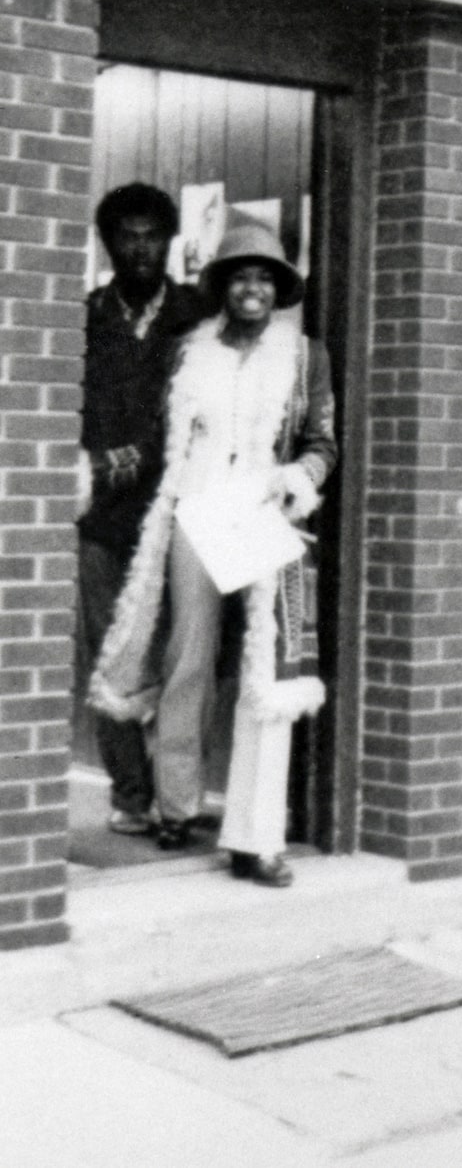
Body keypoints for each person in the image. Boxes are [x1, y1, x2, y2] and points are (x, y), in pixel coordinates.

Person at [90, 218, 335, 888]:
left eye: (263, 277)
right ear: (222, 287)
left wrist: (297, 480)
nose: (251, 288)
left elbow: (322, 445)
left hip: (263, 520)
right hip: (197, 516)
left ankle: (257, 840)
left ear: (277, 288)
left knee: (266, 673)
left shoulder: (305, 355)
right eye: (239, 276)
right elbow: (154, 435)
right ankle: (176, 807)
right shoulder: (185, 351)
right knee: (186, 661)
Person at [78, 184, 208, 836]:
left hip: (178, 509)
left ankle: (177, 798)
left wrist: (119, 461)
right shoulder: (84, 318)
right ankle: (131, 797)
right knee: (112, 653)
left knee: (181, 652)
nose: (141, 246)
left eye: (153, 234)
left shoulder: (195, 314)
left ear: (170, 240)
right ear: (108, 243)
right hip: (101, 521)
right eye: (127, 234)